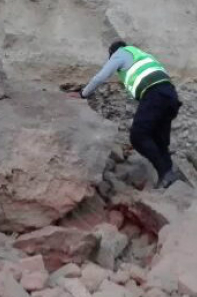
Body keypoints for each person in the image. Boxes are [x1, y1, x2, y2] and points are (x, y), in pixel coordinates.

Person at [78, 40, 184, 188]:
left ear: (112, 53)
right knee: (160, 141)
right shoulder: (142, 55)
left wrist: (83, 94)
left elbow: (101, 77)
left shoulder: (120, 53)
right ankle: (171, 181)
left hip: (154, 94)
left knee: (138, 136)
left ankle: (166, 173)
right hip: (170, 95)